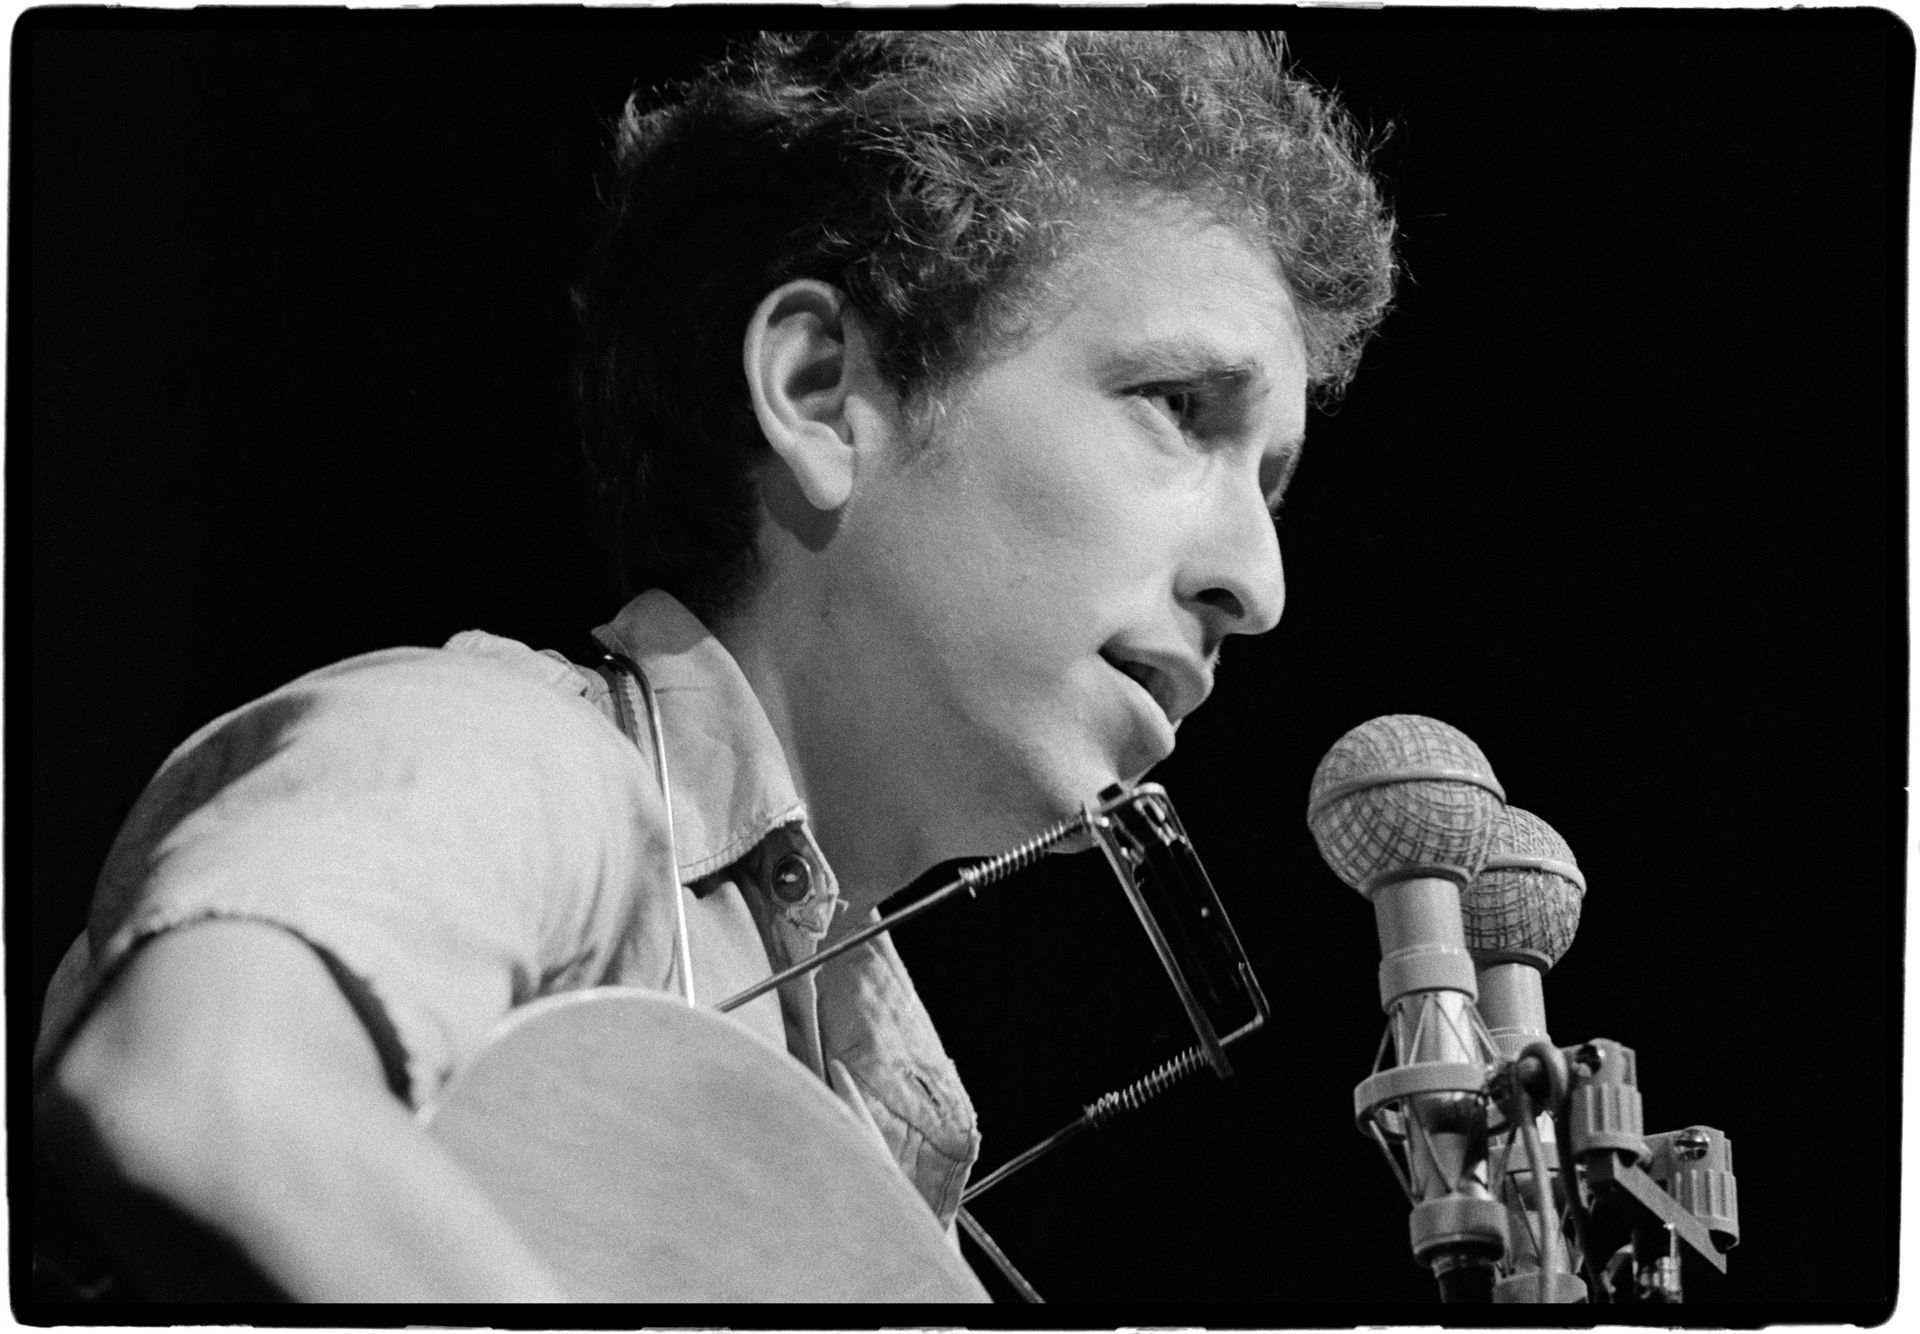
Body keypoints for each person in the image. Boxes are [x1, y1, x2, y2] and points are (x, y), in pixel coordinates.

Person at [32, 29, 1395, 1302]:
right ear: (816, 392)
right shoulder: (521, 756)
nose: (1259, 585)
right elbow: (204, 1086)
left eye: (1272, 484)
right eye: (1177, 411)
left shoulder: (890, 1116)